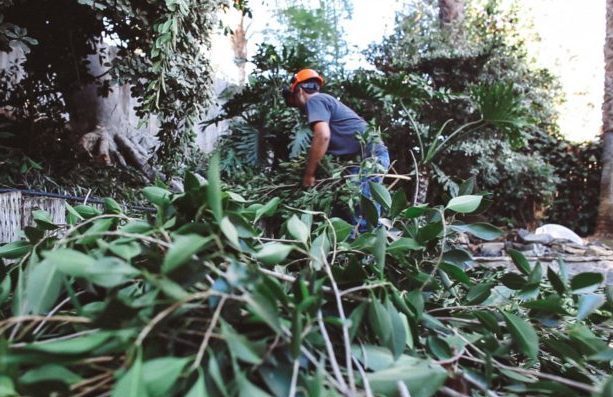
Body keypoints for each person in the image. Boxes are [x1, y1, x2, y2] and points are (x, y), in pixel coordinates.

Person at [282, 68, 390, 231]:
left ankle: (364, 254)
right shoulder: (326, 103)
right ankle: (344, 252)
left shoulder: (315, 101)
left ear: (299, 90)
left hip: (370, 160)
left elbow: (323, 136)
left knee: (361, 217)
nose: (298, 108)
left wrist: (309, 175)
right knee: (345, 212)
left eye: (295, 102)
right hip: (361, 161)